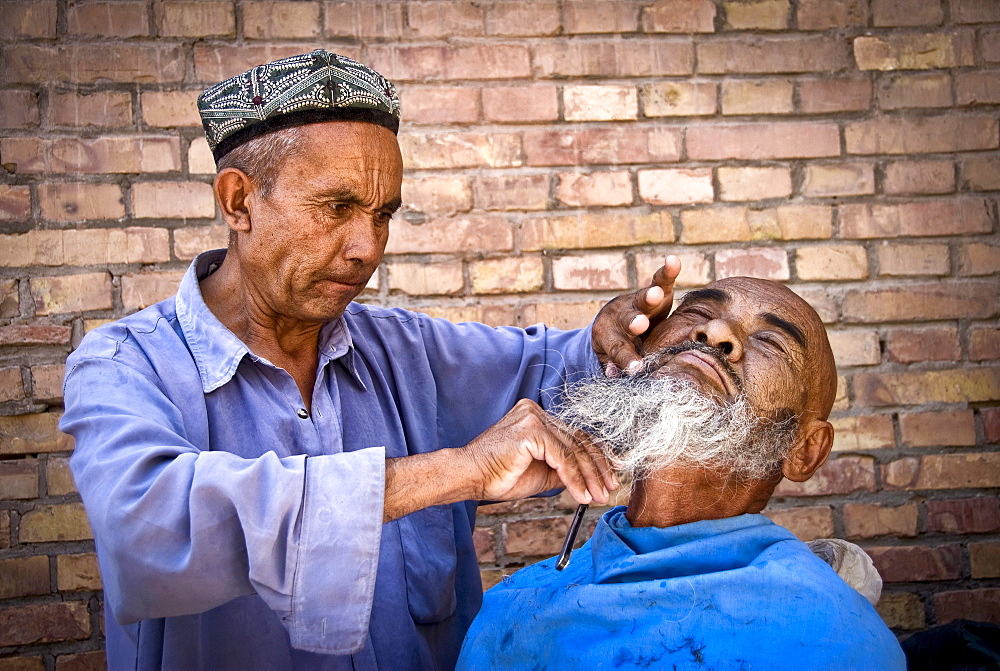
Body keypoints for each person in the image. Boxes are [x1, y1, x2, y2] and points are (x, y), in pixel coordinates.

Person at [59, 50, 679, 670]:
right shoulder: (125, 366)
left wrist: (609, 338)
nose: (366, 248)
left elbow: (558, 369)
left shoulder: (408, 352)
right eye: (336, 208)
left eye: (383, 215)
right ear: (238, 201)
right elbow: (147, 532)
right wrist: (456, 471)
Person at [456, 277, 907, 670]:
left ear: (805, 450)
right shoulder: (514, 607)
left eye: (772, 342)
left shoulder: (834, 636)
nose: (715, 332)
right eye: (698, 312)